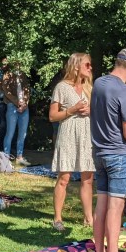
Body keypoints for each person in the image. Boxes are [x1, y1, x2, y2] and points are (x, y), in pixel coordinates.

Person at [90, 47, 126, 252]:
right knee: (116, 207)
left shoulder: (98, 84)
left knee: (101, 205)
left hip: (99, 153)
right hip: (118, 155)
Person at [49, 52, 95, 231]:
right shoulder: (61, 87)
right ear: (76, 66)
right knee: (64, 178)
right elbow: (53, 116)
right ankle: (57, 219)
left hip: (86, 135)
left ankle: (89, 218)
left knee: (88, 179)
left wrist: (91, 111)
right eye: (87, 65)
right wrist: (72, 109)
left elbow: (100, 113)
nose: (90, 68)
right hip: (68, 134)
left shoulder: (90, 88)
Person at [0, 64, 31, 166]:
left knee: (23, 133)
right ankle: (6, 157)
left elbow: (27, 90)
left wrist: (25, 103)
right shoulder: (7, 74)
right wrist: (17, 102)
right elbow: (6, 91)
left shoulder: (23, 74)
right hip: (12, 105)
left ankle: (19, 157)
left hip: (24, 106)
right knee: (10, 132)